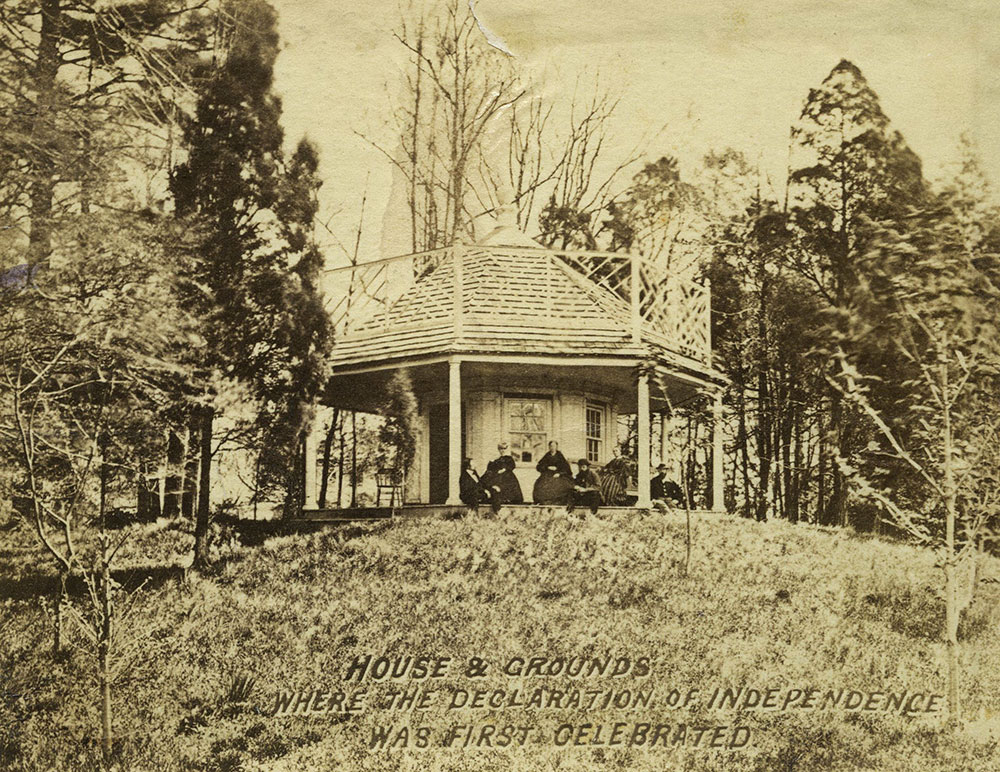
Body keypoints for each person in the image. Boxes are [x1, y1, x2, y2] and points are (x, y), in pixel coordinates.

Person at [482, 442, 524, 509]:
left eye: (504, 449)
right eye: (501, 449)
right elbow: (490, 468)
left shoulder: (509, 458)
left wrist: (505, 469)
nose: (503, 450)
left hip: (507, 476)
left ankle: (509, 499)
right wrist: (492, 462)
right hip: (497, 476)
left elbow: (512, 466)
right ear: (499, 450)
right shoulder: (496, 459)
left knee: (509, 486)